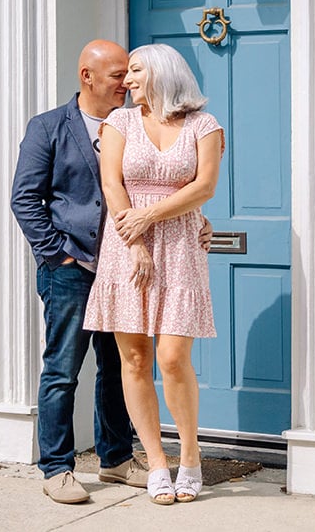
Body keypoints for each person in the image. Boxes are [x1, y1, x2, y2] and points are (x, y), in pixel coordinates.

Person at [10, 40, 150, 504]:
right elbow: (25, 199)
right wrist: (58, 255)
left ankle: (115, 459)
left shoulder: (135, 125)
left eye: (129, 75)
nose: (126, 84)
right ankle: (56, 468)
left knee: (117, 368)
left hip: (120, 270)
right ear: (87, 76)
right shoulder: (48, 127)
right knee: (62, 371)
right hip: (70, 270)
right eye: (117, 76)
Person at [83, 43, 223, 506]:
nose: (127, 81)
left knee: (172, 357)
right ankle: (157, 463)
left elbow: (203, 187)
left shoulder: (204, 125)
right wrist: (136, 239)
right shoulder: (119, 121)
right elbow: (112, 184)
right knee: (136, 360)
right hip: (126, 245)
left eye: (136, 70)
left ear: (163, 73)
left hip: (181, 244)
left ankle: (190, 456)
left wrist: (153, 217)